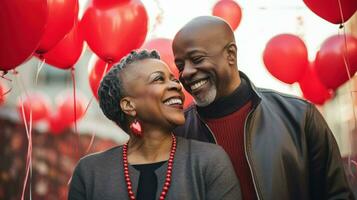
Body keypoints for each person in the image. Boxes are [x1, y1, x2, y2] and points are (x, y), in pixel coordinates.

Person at [172, 16, 354, 200]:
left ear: (231, 55)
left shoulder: (299, 115)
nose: (185, 72)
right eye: (180, 66)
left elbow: (336, 194)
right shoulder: (177, 133)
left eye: (196, 59)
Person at [68, 50, 241, 200]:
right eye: (159, 79)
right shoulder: (89, 172)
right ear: (129, 105)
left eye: (173, 79)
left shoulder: (209, 161)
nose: (176, 85)